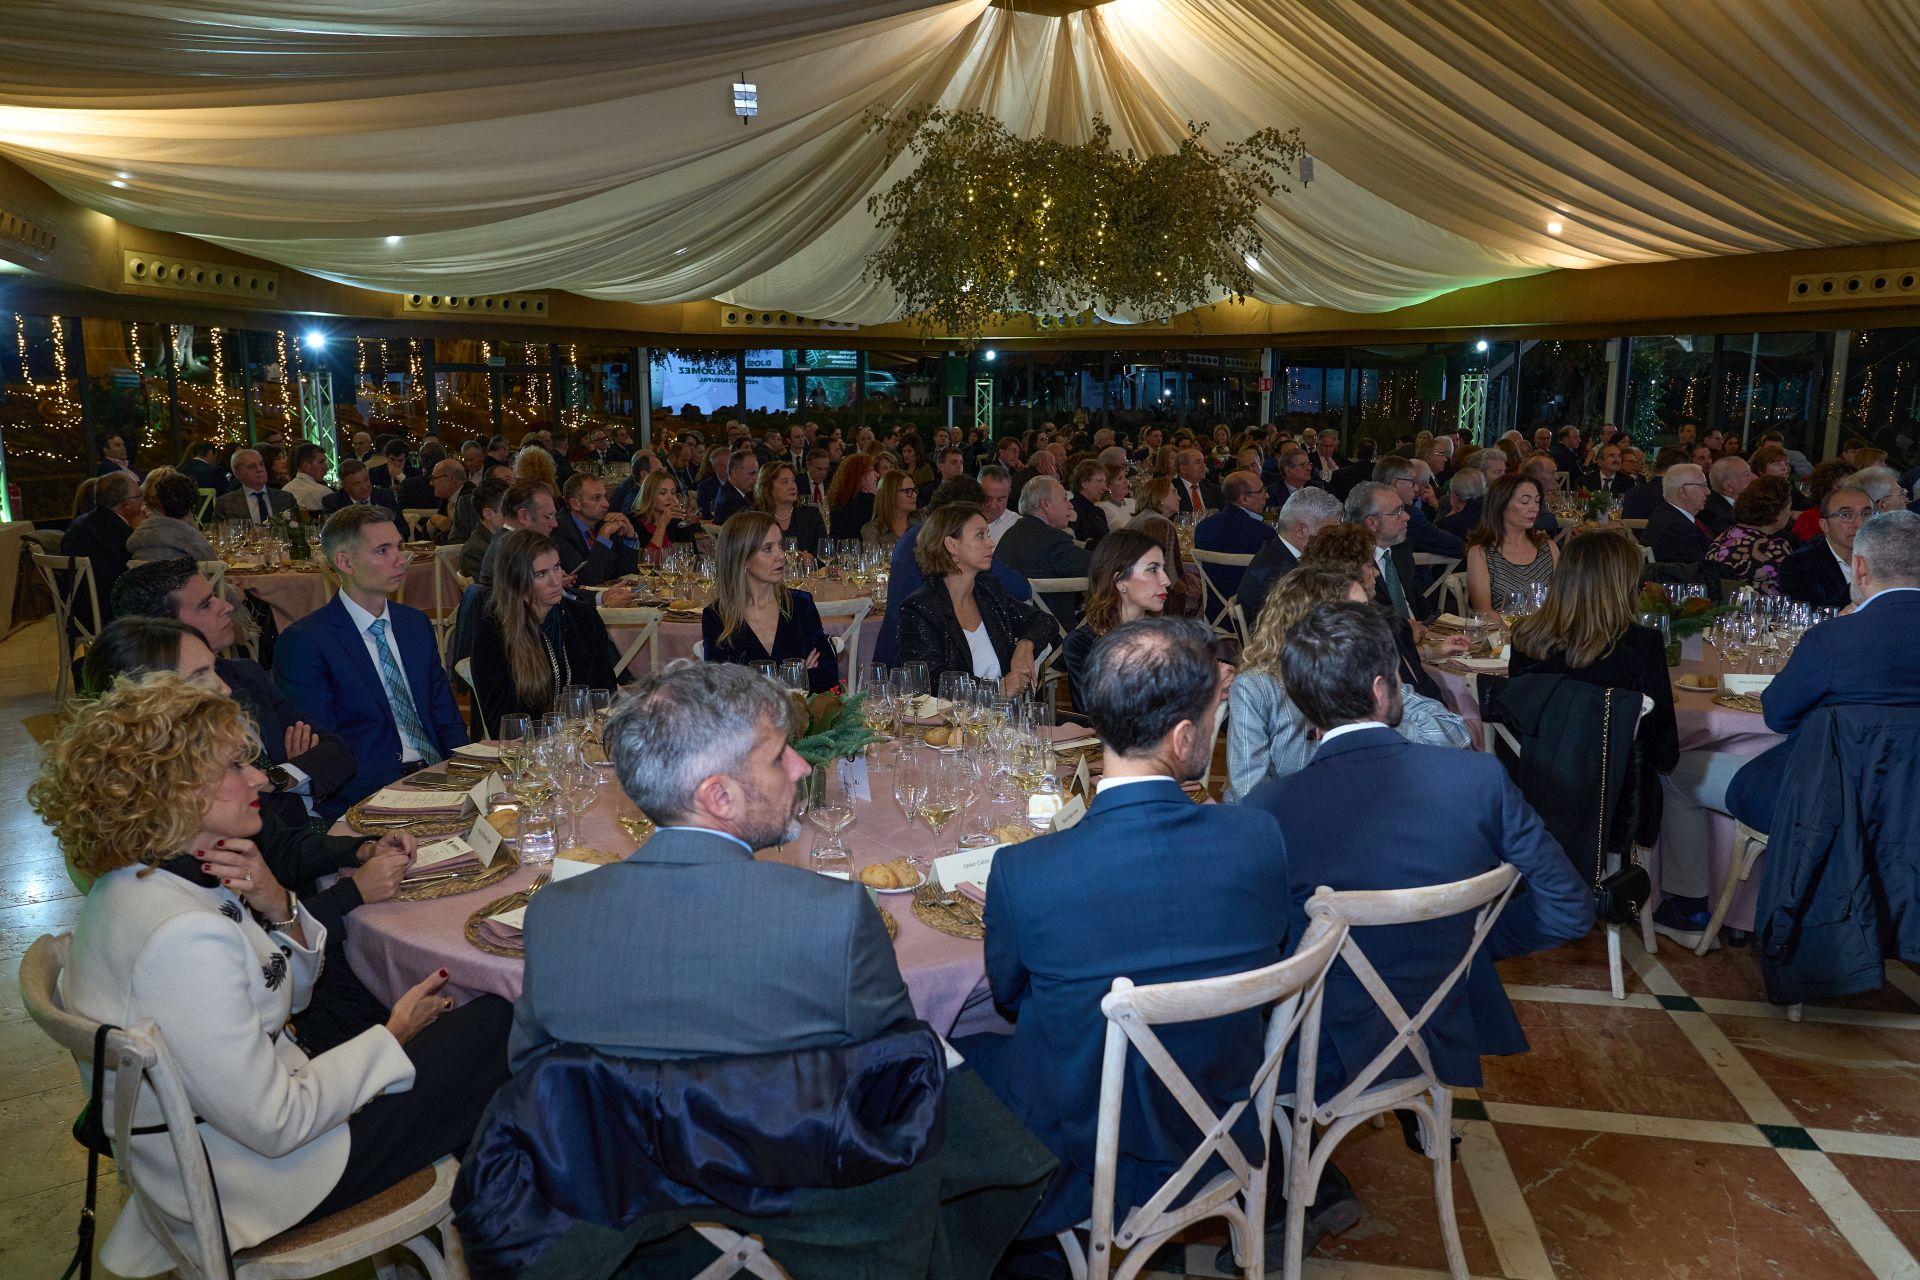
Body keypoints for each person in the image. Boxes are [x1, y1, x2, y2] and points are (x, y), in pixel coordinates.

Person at [32, 673, 511, 1277]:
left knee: (464, 1040)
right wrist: (393, 1035)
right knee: (500, 1022)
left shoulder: (141, 880)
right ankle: (517, 1242)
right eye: (236, 766)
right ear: (174, 792)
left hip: (230, 1143)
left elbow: (285, 994)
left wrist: (277, 903)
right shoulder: (181, 934)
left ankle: (487, 1222)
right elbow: (277, 1123)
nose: (260, 777)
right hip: (261, 1181)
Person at [958, 618, 1305, 1244]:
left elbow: (1007, 999)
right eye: (1213, 714)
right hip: (1219, 1116)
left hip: (1075, 1149)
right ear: (1181, 737)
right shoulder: (1259, 838)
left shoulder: (1025, 872)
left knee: (953, 1048)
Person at [1243, 601, 1592, 1097]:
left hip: (1322, 1050)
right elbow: (1570, 909)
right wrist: (1463, 943)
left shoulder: (1269, 807)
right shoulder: (1478, 778)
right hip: (1444, 1025)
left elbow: (1259, 951)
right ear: (1382, 690)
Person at [511, 662, 912, 1067]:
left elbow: (534, 1074)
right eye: (777, 757)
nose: (802, 766)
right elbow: (899, 1071)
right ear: (719, 797)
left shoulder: (553, 915)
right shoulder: (836, 918)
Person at [1660, 512, 1920, 944]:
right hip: (1908, 804)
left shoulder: (1838, 637)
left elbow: (1776, 716)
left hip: (1825, 802)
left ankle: (1687, 909)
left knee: (1677, 770)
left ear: (1859, 567)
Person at [112, 559, 357, 824]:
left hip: (316, 831)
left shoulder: (245, 675)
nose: (226, 606)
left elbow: (338, 752)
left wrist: (279, 777)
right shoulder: (160, 718)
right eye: (206, 605)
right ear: (163, 629)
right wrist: (296, 776)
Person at [273, 506, 469, 816]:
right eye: (382, 550)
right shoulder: (307, 641)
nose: (399, 559)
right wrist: (396, 797)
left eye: (398, 546)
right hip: (368, 791)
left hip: (439, 775)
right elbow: (326, 746)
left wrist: (466, 769)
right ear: (345, 562)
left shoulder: (414, 624)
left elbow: (444, 714)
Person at [1228, 566, 1467, 801]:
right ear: (1319, 623)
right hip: (1286, 825)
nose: (1373, 621)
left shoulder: (1365, 670)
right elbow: (1249, 791)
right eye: (1360, 613)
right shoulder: (1257, 687)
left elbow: (1455, 733)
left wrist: (1373, 720)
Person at [1508, 525, 1679, 831]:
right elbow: (1664, 752)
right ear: (1624, 584)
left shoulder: (1526, 638)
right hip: (1613, 802)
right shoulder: (1640, 645)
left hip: (1534, 785)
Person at [898, 503, 1057, 694]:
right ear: (952, 545)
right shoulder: (920, 608)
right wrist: (999, 689)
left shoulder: (988, 590)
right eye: (980, 535)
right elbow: (933, 682)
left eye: (988, 534)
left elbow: (1045, 621)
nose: (990, 543)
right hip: (953, 722)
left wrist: (1025, 645)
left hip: (1005, 718)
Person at [469, 530, 620, 728]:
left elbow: (605, 692)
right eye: (541, 574)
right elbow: (502, 723)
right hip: (530, 749)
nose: (556, 581)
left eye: (556, 567)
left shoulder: (583, 616)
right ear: (516, 581)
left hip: (584, 742)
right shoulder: (494, 632)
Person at [701, 512, 841, 693]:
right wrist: (798, 676)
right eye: (768, 549)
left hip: (802, 719)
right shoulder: (717, 615)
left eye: (780, 546)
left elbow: (828, 676)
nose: (781, 555)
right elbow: (718, 690)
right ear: (742, 558)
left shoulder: (800, 604)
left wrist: (756, 682)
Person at [1057, 529, 1168, 707]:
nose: (1166, 580)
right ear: (1120, 581)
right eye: (1153, 569)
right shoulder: (1083, 645)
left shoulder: (1167, 635)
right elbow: (1097, 717)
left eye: (1163, 569)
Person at [992, 476, 1093, 628]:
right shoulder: (1051, 539)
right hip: (1052, 634)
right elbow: (1098, 567)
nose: (1070, 505)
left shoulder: (1012, 534)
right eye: (1065, 499)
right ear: (1045, 504)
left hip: (1014, 628)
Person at [1237, 486, 1344, 621]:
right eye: (1330, 533)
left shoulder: (1276, 551)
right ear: (1301, 530)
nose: (1335, 540)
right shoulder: (1281, 577)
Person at [1465, 474, 1559, 613]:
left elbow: (1562, 601)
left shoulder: (1548, 548)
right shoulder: (1481, 553)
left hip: (1547, 631)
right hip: (1503, 632)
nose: (1535, 508)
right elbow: (1485, 613)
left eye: (1537, 501)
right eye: (1525, 502)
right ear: (1501, 506)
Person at [63, 469, 146, 626]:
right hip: (107, 615)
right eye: (139, 496)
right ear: (127, 504)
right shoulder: (119, 534)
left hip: (75, 611)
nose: (143, 500)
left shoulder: (80, 524)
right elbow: (132, 574)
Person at [1778, 484, 1870, 609]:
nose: (1860, 523)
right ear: (1824, 525)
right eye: (1846, 515)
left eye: (1867, 514)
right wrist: (1863, 580)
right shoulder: (1799, 564)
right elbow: (1809, 616)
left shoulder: (1886, 557)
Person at [1193, 470, 1277, 599]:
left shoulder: (1203, 527)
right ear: (1244, 498)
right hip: (1252, 612)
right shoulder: (1263, 533)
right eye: (1262, 491)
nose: (1267, 496)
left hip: (1215, 611)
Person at [1706, 475, 1795, 595]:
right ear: (1777, 513)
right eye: (1789, 508)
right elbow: (1796, 589)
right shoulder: (1773, 547)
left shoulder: (1724, 537)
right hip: (1759, 610)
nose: (1790, 514)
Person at [552, 472, 639, 586]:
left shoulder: (606, 522)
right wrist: (603, 537)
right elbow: (585, 580)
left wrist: (630, 536)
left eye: (605, 496)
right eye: (596, 498)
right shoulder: (559, 530)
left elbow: (629, 573)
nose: (606, 504)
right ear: (575, 504)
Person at [126, 472, 218, 563]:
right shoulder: (197, 545)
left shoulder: (140, 538)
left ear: (160, 502)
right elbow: (212, 570)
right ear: (193, 505)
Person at [1642, 463, 1714, 564]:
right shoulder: (1675, 528)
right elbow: (1698, 568)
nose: (1708, 492)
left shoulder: (1668, 513)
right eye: (1702, 486)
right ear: (1683, 492)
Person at [755, 460, 827, 559]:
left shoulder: (811, 515)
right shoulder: (756, 519)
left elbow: (825, 555)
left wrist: (811, 559)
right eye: (785, 482)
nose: (792, 487)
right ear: (768, 487)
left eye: (793, 481)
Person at [631, 470, 703, 563]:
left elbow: (691, 558)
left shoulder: (677, 522)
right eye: (662, 493)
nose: (670, 497)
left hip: (674, 576)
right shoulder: (635, 522)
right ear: (648, 495)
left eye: (673, 493)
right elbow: (647, 562)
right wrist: (663, 523)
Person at [214, 448, 299, 525]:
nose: (260, 469)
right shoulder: (225, 504)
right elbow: (221, 536)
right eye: (252, 466)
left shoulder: (285, 498)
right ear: (238, 474)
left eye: (261, 464)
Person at [459, 473, 511, 581]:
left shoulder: (505, 539)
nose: (514, 517)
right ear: (488, 514)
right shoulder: (474, 551)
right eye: (507, 512)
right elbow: (491, 594)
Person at [320, 458, 403, 523]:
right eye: (357, 484)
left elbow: (403, 528)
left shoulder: (385, 496)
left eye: (366, 480)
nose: (364, 487)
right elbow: (332, 536)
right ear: (345, 486)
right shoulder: (332, 502)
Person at [861, 468, 921, 548]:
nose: (914, 495)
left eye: (914, 490)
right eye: (908, 491)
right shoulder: (872, 530)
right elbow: (873, 558)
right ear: (890, 495)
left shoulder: (923, 521)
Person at [827, 453, 879, 540]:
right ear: (861, 476)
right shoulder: (867, 501)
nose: (877, 475)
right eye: (871, 470)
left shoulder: (841, 499)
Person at [1701, 456, 1753, 538]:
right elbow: (1734, 539)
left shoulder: (1750, 501)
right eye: (1747, 475)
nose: (1753, 478)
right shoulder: (1712, 513)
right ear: (1727, 486)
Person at [710, 447, 761, 525]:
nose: (756, 478)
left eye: (757, 473)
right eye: (752, 473)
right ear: (735, 473)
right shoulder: (729, 502)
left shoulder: (742, 492)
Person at [282, 443, 336, 514]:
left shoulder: (284, 490)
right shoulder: (324, 493)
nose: (326, 467)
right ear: (306, 466)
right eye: (321, 462)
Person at [1066, 459, 1111, 543]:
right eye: (1100, 481)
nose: (1105, 488)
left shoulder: (1099, 511)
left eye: (1104, 482)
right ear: (1084, 484)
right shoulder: (1072, 510)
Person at [979, 463, 1021, 542]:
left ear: (1009, 493)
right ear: (976, 491)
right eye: (988, 498)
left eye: (1001, 499)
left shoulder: (1017, 526)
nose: (993, 506)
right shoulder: (961, 519)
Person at [1171, 447, 1219, 514]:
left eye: (1203, 461)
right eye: (1197, 462)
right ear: (1183, 469)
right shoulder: (1172, 489)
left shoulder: (1212, 488)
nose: (1204, 466)